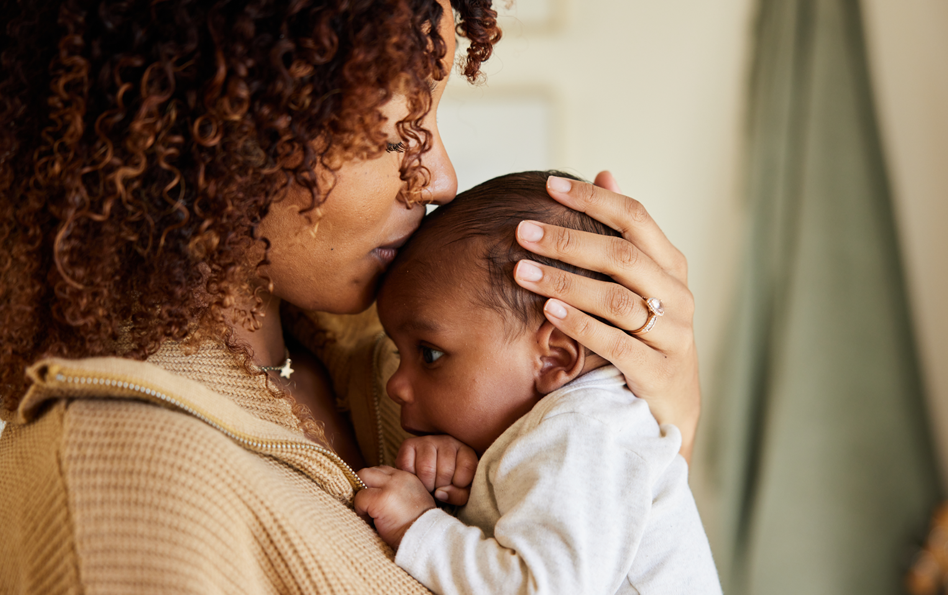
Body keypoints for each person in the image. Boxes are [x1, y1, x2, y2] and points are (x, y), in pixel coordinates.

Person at [0, 1, 702, 593]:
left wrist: (655, 425)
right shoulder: (117, 491)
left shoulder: (400, 363)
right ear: (221, 116)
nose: (440, 178)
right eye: (397, 124)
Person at [356, 171, 722, 594]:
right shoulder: (568, 430)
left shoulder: (584, 431)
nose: (395, 385)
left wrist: (419, 526)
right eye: (399, 353)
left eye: (429, 354)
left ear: (554, 358)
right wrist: (468, 486)